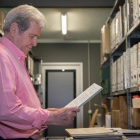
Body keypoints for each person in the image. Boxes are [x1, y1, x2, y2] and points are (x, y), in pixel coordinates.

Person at [0, 5, 80, 140]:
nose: (35, 43)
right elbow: (7, 110)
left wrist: (46, 112)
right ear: (14, 29)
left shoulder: (17, 58)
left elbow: (19, 102)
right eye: (32, 36)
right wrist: (51, 117)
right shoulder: (3, 57)